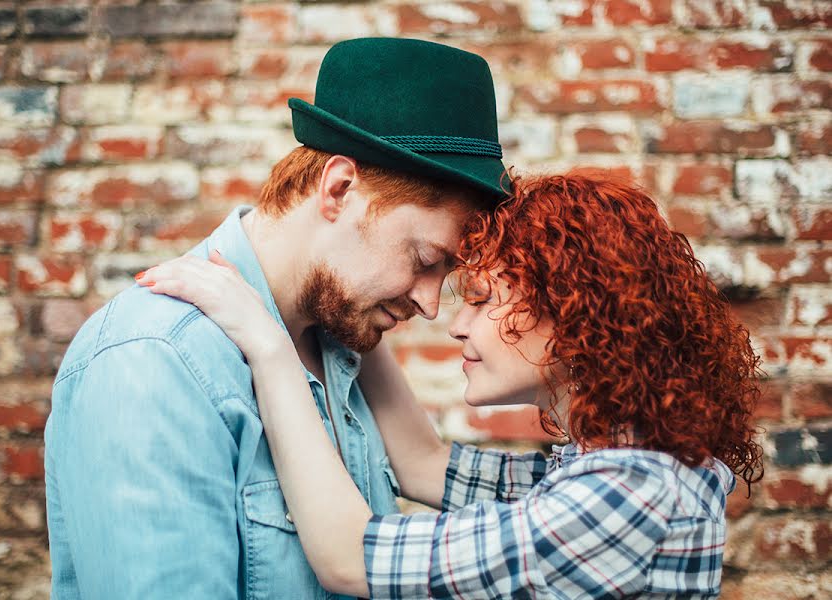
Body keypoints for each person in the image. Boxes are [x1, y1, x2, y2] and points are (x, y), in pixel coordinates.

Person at [138, 172, 764, 599]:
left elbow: (347, 557)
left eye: (483, 299)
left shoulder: (622, 495)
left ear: (572, 311)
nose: (452, 322)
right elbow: (425, 466)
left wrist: (269, 347)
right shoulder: (615, 462)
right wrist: (356, 305)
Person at [44, 38, 509, 598]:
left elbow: (423, 472)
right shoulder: (154, 360)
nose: (432, 305)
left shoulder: (340, 341)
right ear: (338, 189)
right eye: (424, 260)